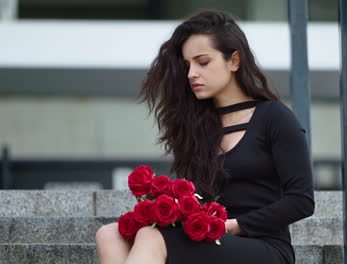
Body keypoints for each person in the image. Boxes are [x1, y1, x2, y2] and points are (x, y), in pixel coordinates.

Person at [95, 9, 315, 264]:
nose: (191, 74)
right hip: (207, 240)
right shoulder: (196, 127)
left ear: (234, 61)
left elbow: (301, 200)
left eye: (202, 62)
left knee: (152, 238)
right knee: (109, 234)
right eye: (187, 65)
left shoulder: (274, 117)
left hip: (262, 245)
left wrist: (232, 225)